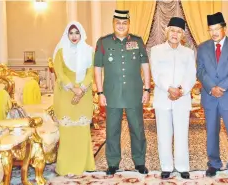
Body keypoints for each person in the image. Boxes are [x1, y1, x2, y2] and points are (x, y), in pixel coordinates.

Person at [94, 10, 151, 175]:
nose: (121, 26)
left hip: (134, 94)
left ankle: (139, 162)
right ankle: (112, 163)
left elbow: (145, 66)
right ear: (113, 23)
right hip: (112, 94)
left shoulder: (137, 41)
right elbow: (97, 69)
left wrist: (147, 89)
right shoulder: (103, 43)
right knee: (112, 130)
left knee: (137, 129)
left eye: (124, 23)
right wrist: (100, 93)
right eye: (118, 23)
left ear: (128, 24)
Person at [196, 12, 228, 179]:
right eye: (211, 29)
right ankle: (214, 163)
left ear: (224, 28)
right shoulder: (202, 47)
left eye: (217, 28)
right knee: (211, 132)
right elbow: (200, 71)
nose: (214, 32)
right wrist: (211, 87)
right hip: (210, 97)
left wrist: (221, 87)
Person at [150, 17, 196, 179]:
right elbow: (155, 73)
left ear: (182, 35)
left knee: (182, 133)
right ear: (166, 32)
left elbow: (191, 75)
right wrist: (169, 88)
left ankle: (183, 166)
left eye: (178, 31)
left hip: (182, 99)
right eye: (172, 31)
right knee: (163, 133)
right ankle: (167, 167)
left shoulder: (188, 52)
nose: (175, 34)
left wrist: (181, 90)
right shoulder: (156, 50)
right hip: (163, 97)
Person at [53, 21, 95, 175]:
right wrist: (73, 88)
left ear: (81, 33)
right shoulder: (61, 51)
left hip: (84, 94)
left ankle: (84, 164)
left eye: (77, 33)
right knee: (66, 130)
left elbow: (91, 73)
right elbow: (59, 72)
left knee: (82, 129)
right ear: (67, 34)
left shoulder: (89, 51)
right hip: (66, 93)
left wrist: (81, 88)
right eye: (71, 33)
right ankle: (66, 167)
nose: (74, 36)